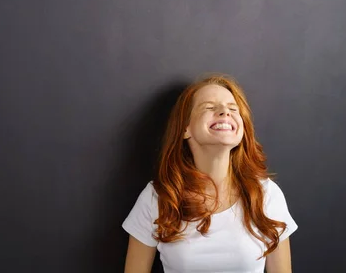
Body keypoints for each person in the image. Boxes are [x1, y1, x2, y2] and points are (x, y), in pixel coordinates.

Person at [122, 74, 298, 273]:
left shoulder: (267, 195)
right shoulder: (158, 197)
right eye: (209, 107)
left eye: (233, 109)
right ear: (185, 129)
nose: (225, 112)